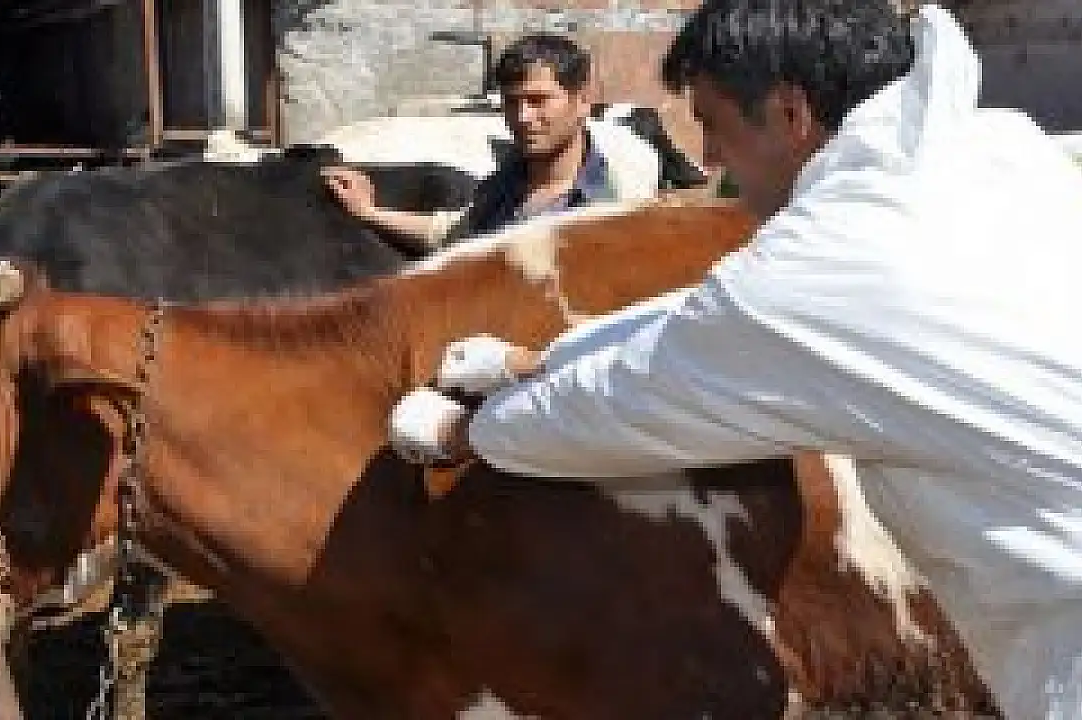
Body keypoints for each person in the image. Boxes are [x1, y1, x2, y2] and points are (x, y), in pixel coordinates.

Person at [386, 2, 1082, 719]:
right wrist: (539, 361)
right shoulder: (994, 150)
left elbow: (633, 400)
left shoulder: (822, 268)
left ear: (790, 113)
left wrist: (469, 432)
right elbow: (714, 320)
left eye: (713, 126)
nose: (711, 159)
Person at [322, 33, 666, 253]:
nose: (523, 117)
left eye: (538, 100)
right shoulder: (500, 188)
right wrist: (369, 212)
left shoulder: (618, 202)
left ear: (583, 101)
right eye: (512, 102)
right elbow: (455, 233)